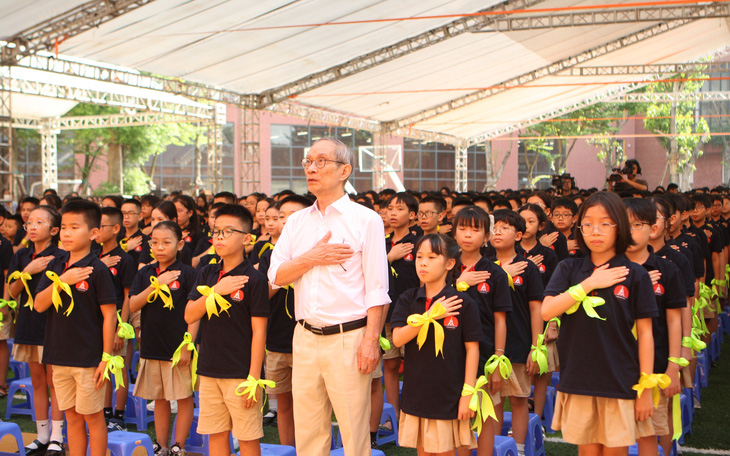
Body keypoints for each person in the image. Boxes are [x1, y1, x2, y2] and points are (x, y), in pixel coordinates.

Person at [268, 137, 389, 455]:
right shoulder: (296, 221)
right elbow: (275, 277)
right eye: (308, 161)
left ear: (345, 170)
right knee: (308, 431)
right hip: (304, 336)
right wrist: (312, 257)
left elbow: (377, 288)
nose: (312, 168)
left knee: (354, 431)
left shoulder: (366, 220)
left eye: (321, 161)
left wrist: (371, 340)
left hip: (349, 338)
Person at [542, 192, 657, 452]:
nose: (596, 231)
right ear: (579, 228)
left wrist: (646, 388)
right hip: (579, 377)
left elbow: (647, 334)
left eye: (605, 223)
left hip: (620, 379)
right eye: (588, 223)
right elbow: (547, 311)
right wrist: (589, 283)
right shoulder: (568, 269)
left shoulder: (635, 274)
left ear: (620, 228)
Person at [33, 200, 118, 456]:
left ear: (93, 233)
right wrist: (62, 281)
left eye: (75, 227)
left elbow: (110, 316)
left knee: (93, 417)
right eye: (64, 227)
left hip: (88, 360)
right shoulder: (56, 266)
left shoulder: (99, 270)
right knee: (71, 416)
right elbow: (38, 305)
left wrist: (106, 357)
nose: (67, 233)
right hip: (59, 355)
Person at [185, 204, 269, 456]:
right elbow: (189, 314)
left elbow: (259, 332)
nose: (219, 237)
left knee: (247, 436)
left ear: (246, 238)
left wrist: (254, 378)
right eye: (216, 231)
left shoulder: (254, 279)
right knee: (217, 433)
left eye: (227, 232)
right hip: (209, 369)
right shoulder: (207, 273)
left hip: (241, 373)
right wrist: (216, 290)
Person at [391, 234, 480, 456]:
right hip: (418, 391)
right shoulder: (409, 298)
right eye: (419, 256)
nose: (422, 262)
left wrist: (468, 394)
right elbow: (398, 338)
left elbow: (472, 349)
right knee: (424, 451)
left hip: (449, 393)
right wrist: (430, 315)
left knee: (447, 451)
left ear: (450, 263)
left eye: (431, 257)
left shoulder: (462, 302)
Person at [623, 198, 685, 456]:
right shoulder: (610, 270)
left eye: (638, 225)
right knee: (616, 433)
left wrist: (673, 365)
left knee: (650, 430)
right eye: (625, 225)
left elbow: (673, 320)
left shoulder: (667, 269)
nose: (631, 231)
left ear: (654, 228)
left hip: (656, 365)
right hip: (616, 365)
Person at [130, 221, 197, 456]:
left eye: (166, 242)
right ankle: (161, 444)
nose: (160, 247)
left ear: (179, 244)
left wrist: (188, 345)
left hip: (178, 347)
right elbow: (132, 304)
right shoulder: (145, 273)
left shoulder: (188, 273)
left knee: (183, 397)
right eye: (154, 242)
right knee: (159, 398)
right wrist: (155, 286)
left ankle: (179, 444)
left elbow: (195, 314)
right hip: (151, 345)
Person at [452, 207, 512, 456]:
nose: (468, 235)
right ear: (454, 232)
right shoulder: (444, 267)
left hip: (486, 353)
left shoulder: (495, 273)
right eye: (463, 228)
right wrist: (459, 284)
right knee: (459, 414)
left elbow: (500, 320)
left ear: (486, 237)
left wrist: (498, 362)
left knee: (485, 413)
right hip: (452, 354)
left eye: (475, 230)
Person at [7, 206, 66, 456]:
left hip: (52, 326)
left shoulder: (62, 256)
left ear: (54, 230)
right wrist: (27, 272)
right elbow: (11, 293)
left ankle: (56, 436)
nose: (32, 227)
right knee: (38, 382)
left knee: (55, 383)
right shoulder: (21, 255)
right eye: (29, 223)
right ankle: (42, 435)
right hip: (28, 325)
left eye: (39, 223)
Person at [256, 195, 313, 446]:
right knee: (285, 403)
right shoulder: (271, 255)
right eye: (281, 216)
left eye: (291, 215)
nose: (284, 221)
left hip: (311, 338)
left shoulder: (317, 252)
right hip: (278, 338)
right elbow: (262, 295)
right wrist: (284, 274)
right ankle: (288, 449)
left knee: (312, 403)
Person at [490, 210, 544, 456]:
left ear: (519, 235)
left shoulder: (528, 268)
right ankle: (498, 446)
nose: (497, 232)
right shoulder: (483, 266)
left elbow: (536, 309)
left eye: (505, 227)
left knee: (520, 398)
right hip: (489, 346)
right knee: (493, 399)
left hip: (520, 343)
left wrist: (536, 347)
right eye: (494, 227)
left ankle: (519, 449)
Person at [97, 207, 136, 431]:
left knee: (119, 369)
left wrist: (121, 328)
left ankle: (118, 417)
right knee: (102, 368)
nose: (98, 231)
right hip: (97, 324)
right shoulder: (94, 257)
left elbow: (127, 296)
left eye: (102, 226)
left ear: (115, 229)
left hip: (117, 323)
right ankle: (105, 412)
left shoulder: (124, 260)